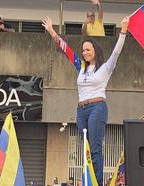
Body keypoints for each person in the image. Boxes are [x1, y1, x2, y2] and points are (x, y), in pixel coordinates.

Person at [42, 16, 129, 186]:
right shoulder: (81, 67)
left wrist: (124, 30)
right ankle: (87, 179)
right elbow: (66, 50)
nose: (85, 53)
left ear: (95, 50)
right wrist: (52, 31)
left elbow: (117, 51)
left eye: (88, 50)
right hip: (81, 110)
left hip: (97, 107)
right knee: (85, 149)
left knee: (95, 148)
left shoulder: (106, 67)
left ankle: (96, 182)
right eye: (83, 50)